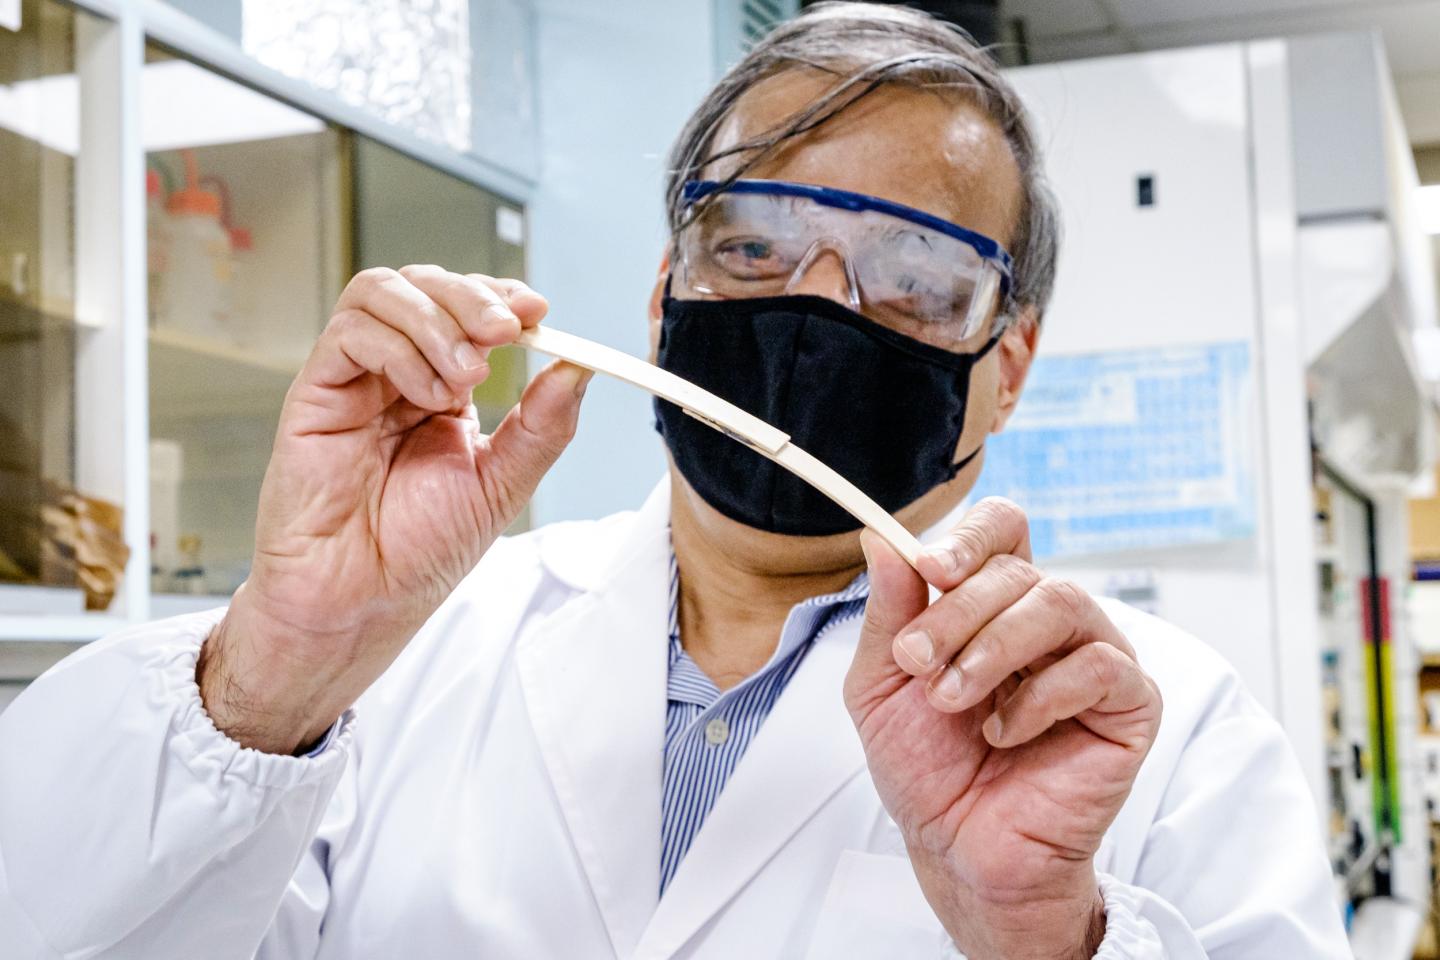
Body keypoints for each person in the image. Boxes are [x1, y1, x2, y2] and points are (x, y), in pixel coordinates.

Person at [0, 4, 1348, 958]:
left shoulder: (1164, 741)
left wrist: (1043, 938)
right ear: (664, 296)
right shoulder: (403, 663)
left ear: (1012, 361)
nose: (821, 305)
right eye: (755, 246)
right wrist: (276, 668)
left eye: (917, 276)